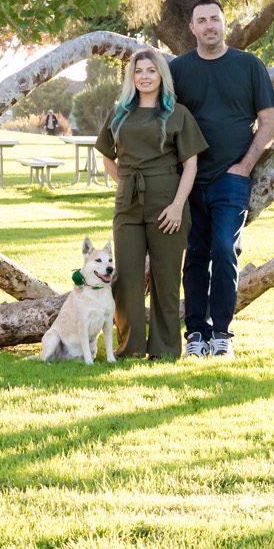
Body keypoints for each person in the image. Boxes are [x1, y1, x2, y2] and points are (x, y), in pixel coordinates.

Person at [169, 0, 274, 360]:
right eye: (201, 20)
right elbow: (162, 119)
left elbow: (269, 123)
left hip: (231, 177)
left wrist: (245, 166)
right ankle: (196, 334)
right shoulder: (178, 69)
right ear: (192, 28)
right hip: (189, 178)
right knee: (196, 254)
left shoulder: (249, 65)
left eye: (214, 19)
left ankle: (222, 335)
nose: (209, 26)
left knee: (224, 249)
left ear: (224, 23)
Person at [94, 50, 207, 361]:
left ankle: (165, 348)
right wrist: (125, 182)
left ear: (161, 76)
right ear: (132, 77)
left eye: (151, 70)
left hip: (168, 202)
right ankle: (129, 347)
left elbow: (191, 165)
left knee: (165, 277)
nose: (144, 75)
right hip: (128, 205)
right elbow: (107, 155)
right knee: (125, 277)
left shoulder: (177, 113)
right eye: (138, 71)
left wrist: (176, 205)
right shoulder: (119, 113)